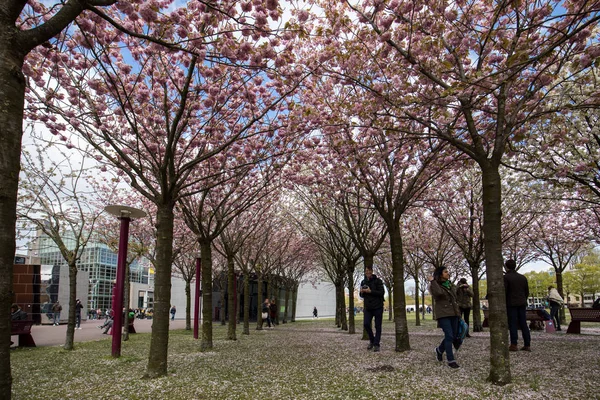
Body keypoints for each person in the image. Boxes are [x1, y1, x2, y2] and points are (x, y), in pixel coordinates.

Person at [428, 266, 461, 369]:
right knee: (449, 335)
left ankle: (439, 350)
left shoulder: (450, 285)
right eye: (445, 272)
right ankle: (451, 360)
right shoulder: (434, 285)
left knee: (453, 335)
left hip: (454, 313)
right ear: (440, 274)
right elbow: (438, 293)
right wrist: (433, 281)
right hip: (443, 314)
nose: (448, 273)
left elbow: (456, 296)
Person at [504, 259, 531, 352]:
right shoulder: (523, 278)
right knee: (523, 323)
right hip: (522, 303)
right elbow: (527, 291)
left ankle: (514, 344)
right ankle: (527, 344)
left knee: (512, 324)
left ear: (506, 267)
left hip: (511, 303)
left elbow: (505, 291)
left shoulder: (506, 277)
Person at [359, 265, 385, 352]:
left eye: (369, 270)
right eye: (366, 271)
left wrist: (371, 291)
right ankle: (372, 340)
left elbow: (381, 293)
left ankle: (376, 344)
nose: (367, 272)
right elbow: (361, 295)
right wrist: (361, 292)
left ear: (372, 271)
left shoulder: (378, 281)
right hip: (368, 307)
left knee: (378, 326)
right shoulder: (363, 282)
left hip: (378, 306)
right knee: (366, 324)